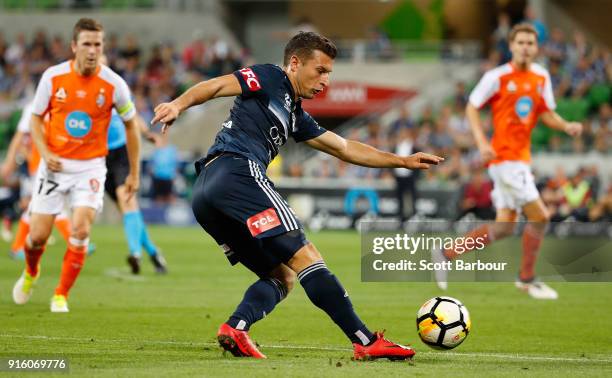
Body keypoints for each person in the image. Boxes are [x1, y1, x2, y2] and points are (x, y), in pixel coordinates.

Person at [151, 32, 443, 360]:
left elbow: (344, 148)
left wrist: (401, 161)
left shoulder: (295, 115)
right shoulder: (270, 76)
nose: (325, 81)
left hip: (207, 192)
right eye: (320, 71)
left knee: (282, 275)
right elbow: (217, 85)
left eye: (329, 73)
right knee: (306, 256)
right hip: (237, 172)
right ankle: (364, 340)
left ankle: (236, 327)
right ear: (294, 63)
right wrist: (178, 104)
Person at [432, 23, 583, 299]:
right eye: (520, 43)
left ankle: (446, 253)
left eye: (530, 43)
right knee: (541, 217)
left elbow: (546, 112)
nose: (525, 47)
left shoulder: (541, 77)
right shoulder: (497, 77)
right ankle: (527, 278)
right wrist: (481, 143)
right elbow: (472, 106)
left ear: (537, 48)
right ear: (512, 46)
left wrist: (566, 126)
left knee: (504, 227)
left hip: (520, 159)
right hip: (505, 159)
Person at [12, 18, 141, 312]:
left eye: (98, 44)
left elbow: (132, 126)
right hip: (55, 167)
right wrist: (44, 152)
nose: (93, 50)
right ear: (74, 46)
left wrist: (134, 172)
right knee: (37, 237)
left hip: (91, 167)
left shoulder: (113, 84)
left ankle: (60, 294)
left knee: (81, 230)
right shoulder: (53, 77)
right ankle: (32, 271)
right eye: (87, 44)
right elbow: (34, 118)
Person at [1, 102, 73, 260]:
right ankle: (74, 242)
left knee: (34, 206)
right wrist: (10, 163)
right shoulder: (34, 108)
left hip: (44, 166)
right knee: (48, 205)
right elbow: (20, 141)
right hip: (38, 168)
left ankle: (17, 246)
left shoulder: (55, 109)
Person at [105, 108, 168, 274]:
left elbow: (132, 114)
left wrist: (147, 134)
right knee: (129, 213)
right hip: (99, 157)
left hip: (121, 152)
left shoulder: (115, 87)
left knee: (125, 200)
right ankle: (154, 253)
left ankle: (135, 253)